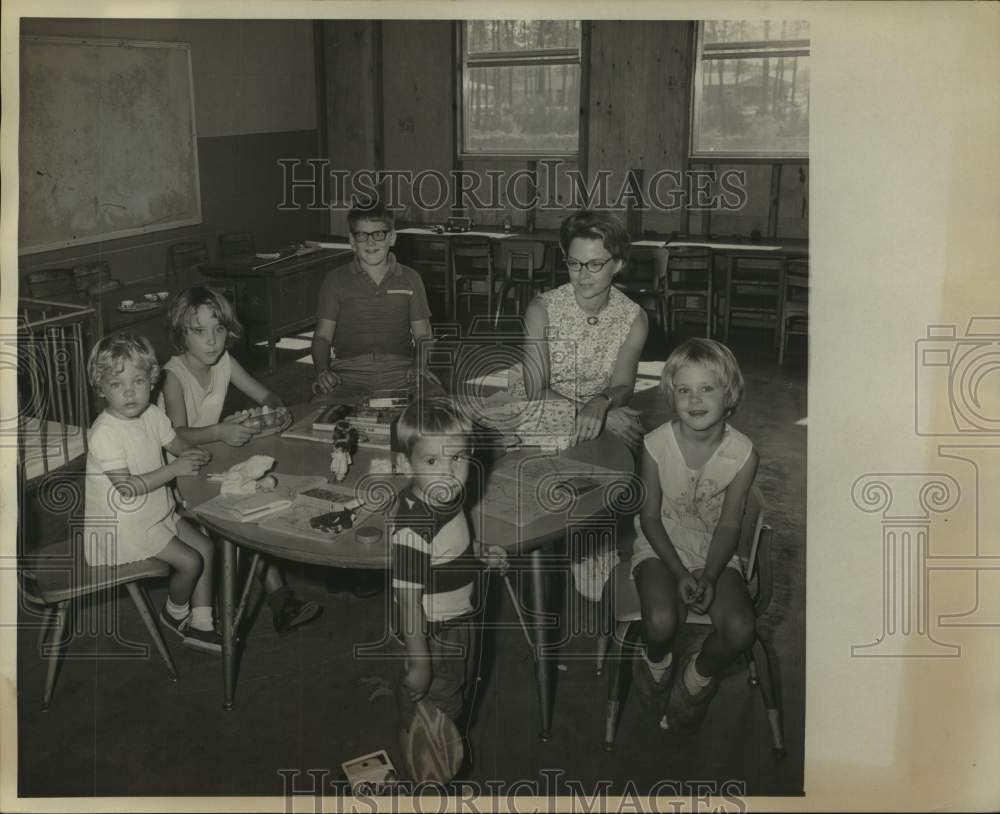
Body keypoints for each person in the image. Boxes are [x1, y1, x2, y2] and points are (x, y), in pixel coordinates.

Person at [159, 286, 322, 635]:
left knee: (259, 498)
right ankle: (278, 599)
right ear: (180, 334)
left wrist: (276, 412)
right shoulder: (173, 376)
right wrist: (220, 431)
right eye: (199, 331)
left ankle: (280, 600)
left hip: (213, 458)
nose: (212, 340)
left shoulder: (225, 362)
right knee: (243, 511)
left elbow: (268, 394)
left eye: (219, 329)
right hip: (176, 473)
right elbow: (176, 436)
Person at [630, 338, 759, 732]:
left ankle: (698, 675)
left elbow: (730, 525)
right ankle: (656, 660)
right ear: (671, 394)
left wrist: (709, 573)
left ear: (729, 392)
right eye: (684, 389)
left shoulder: (744, 454)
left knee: (741, 630)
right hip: (660, 544)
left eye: (707, 388)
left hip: (713, 550)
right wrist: (681, 572)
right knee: (662, 620)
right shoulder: (654, 446)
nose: (695, 399)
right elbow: (650, 519)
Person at [82, 334, 222, 654]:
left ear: (152, 381)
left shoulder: (151, 414)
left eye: (139, 381)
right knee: (190, 561)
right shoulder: (104, 433)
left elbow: (174, 443)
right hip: (123, 529)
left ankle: (202, 624)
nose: (130, 392)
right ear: (101, 388)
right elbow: (127, 488)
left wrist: (192, 452)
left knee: (206, 546)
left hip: (153, 512)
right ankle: (175, 613)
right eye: (117, 384)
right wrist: (174, 470)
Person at [389, 398, 505, 782]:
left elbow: (450, 550)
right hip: (433, 633)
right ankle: (429, 779)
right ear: (406, 465)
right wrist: (420, 660)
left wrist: (479, 554)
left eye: (457, 459)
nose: (448, 474)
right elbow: (408, 601)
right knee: (438, 709)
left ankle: (428, 758)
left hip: (453, 621)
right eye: (433, 462)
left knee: (444, 702)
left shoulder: (446, 501)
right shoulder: (414, 527)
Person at [510, 209, 647, 449]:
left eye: (595, 264)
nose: (582, 275)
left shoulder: (634, 317)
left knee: (631, 455)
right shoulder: (542, 309)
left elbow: (624, 386)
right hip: (544, 406)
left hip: (603, 406)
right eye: (574, 263)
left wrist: (601, 404)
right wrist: (594, 414)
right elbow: (536, 391)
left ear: (618, 264)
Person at [311, 201, 439, 402]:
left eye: (378, 234)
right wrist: (322, 370)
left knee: (438, 407)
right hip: (347, 374)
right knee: (318, 413)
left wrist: (419, 365)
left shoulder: (411, 278)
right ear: (352, 242)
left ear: (392, 237)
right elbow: (322, 337)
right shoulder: (334, 280)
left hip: (402, 371)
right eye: (362, 235)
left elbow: (423, 334)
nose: (370, 243)